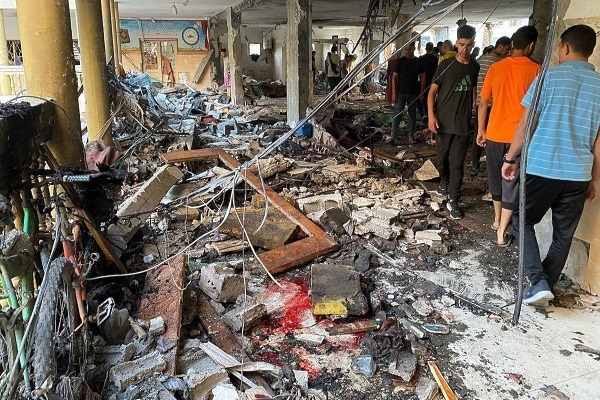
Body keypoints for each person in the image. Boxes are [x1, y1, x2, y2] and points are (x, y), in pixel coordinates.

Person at [501, 25, 600, 307]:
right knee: (563, 235)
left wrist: (510, 158)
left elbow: (526, 124)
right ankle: (545, 286)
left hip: (543, 167)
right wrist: (595, 179)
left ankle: (538, 281)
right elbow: (599, 141)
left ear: (565, 47)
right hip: (578, 173)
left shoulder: (548, 77)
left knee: (522, 221)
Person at [477, 26, 540, 247]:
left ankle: (496, 220)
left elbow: (483, 102)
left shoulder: (496, 68)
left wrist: (481, 130)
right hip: (519, 139)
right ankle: (502, 232)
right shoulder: (537, 71)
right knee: (511, 183)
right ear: (531, 46)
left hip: (494, 133)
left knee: (495, 179)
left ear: (512, 44)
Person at [428, 25, 480, 219]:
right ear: (457, 43)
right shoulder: (445, 65)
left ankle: (454, 200)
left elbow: (473, 88)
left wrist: (474, 104)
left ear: (473, 45)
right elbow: (432, 92)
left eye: (469, 45)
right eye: (462, 44)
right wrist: (431, 116)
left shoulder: (474, 67)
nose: (465, 49)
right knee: (442, 160)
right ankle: (444, 179)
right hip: (443, 122)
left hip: (462, 124)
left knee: (457, 163)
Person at [472, 36, 512, 173]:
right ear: (500, 47)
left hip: (479, 101)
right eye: (506, 49)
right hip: (491, 103)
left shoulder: (480, 59)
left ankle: (475, 164)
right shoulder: (498, 62)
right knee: (491, 137)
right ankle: (492, 166)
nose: (507, 53)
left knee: (479, 132)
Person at [390, 41, 425, 144]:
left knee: (412, 115)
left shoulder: (418, 61)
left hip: (413, 92)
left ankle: (411, 135)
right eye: (406, 49)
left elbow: (423, 76)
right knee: (397, 114)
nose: (407, 51)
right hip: (401, 92)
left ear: (414, 49)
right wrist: (393, 92)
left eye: (409, 49)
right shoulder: (401, 61)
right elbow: (394, 77)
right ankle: (393, 135)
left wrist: (422, 92)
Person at [420, 42, 438, 118]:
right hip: (433, 80)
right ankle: (431, 114)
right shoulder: (435, 59)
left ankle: (426, 114)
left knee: (424, 98)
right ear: (432, 49)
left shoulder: (421, 58)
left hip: (423, 80)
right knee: (432, 97)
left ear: (425, 48)